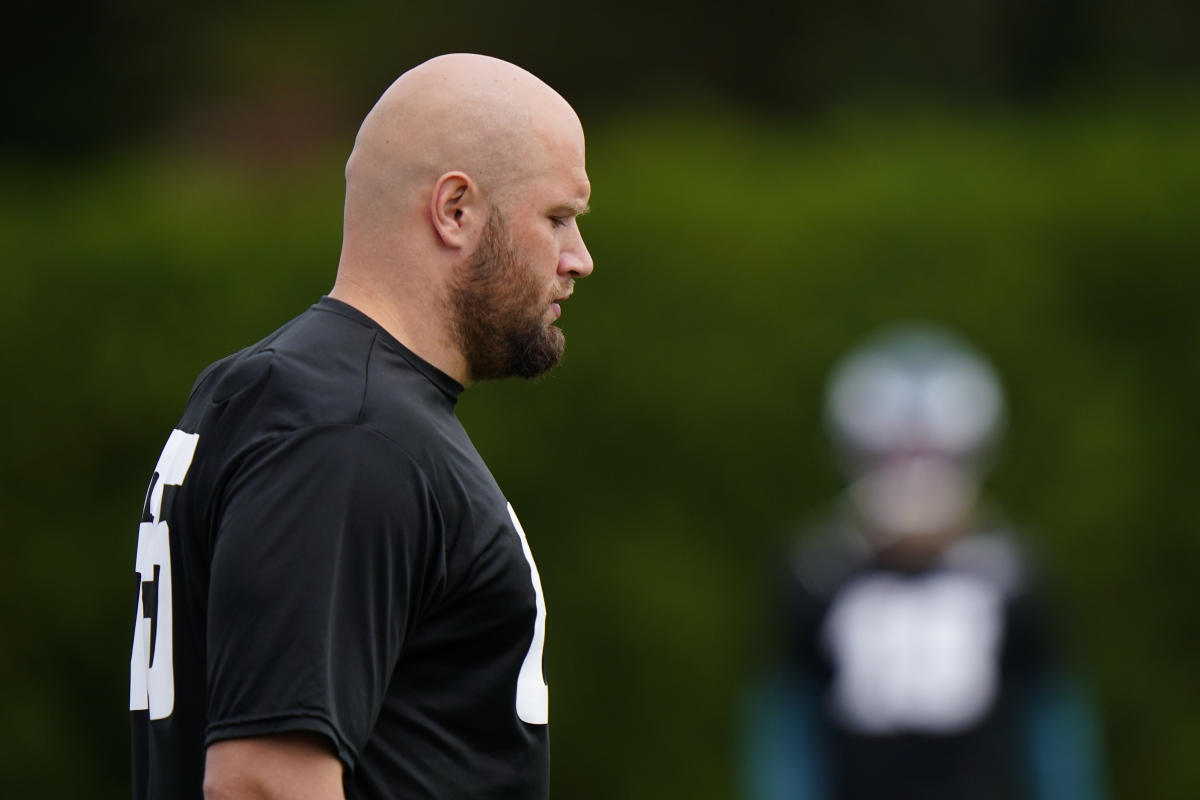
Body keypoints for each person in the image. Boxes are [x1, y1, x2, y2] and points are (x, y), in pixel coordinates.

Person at [128, 53, 593, 800]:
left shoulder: (309, 397)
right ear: (456, 210)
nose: (580, 259)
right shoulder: (349, 431)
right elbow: (263, 785)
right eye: (558, 218)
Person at [742, 324, 1107, 800]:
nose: (916, 478)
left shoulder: (1012, 575)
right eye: (895, 456)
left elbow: (1052, 726)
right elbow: (787, 726)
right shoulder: (817, 575)